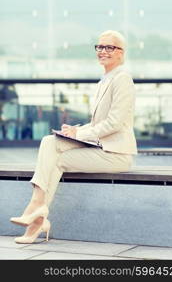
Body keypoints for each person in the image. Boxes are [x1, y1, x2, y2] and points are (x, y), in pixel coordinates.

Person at [10, 30, 137, 243]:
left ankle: (36, 214)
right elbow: (98, 124)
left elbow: (114, 124)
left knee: (54, 157)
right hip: (101, 148)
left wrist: (80, 133)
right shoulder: (105, 79)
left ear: (121, 53)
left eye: (109, 47)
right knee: (50, 143)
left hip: (116, 153)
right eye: (99, 47)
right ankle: (37, 216)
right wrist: (74, 130)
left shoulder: (122, 79)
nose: (102, 51)